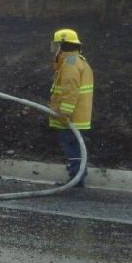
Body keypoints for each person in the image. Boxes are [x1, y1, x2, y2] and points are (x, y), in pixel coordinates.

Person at [48, 28, 94, 187]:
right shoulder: (76, 61)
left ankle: (76, 179)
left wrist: (65, 113)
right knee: (76, 147)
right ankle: (77, 177)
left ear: (62, 45)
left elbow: (70, 91)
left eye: (57, 45)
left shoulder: (70, 64)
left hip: (71, 118)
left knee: (72, 148)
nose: (55, 49)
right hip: (77, 116)